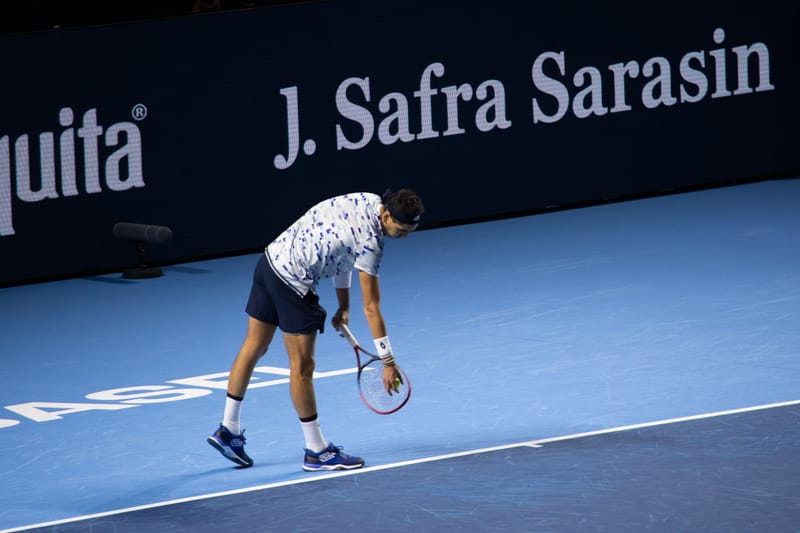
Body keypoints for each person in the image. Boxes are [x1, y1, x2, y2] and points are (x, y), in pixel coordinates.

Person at [207, 189, 424, 471]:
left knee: (254, 346)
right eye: (401, 230)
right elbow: (371, 307)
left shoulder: (368, 200)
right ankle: (317, 451)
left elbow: (343, 251)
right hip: (293, 281)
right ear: (386, 215)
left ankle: (228, 429)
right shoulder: (372, 244)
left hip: (270, 261)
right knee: (302, 367)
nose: (404, 236)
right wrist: (388, 361)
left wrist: (343, 306)